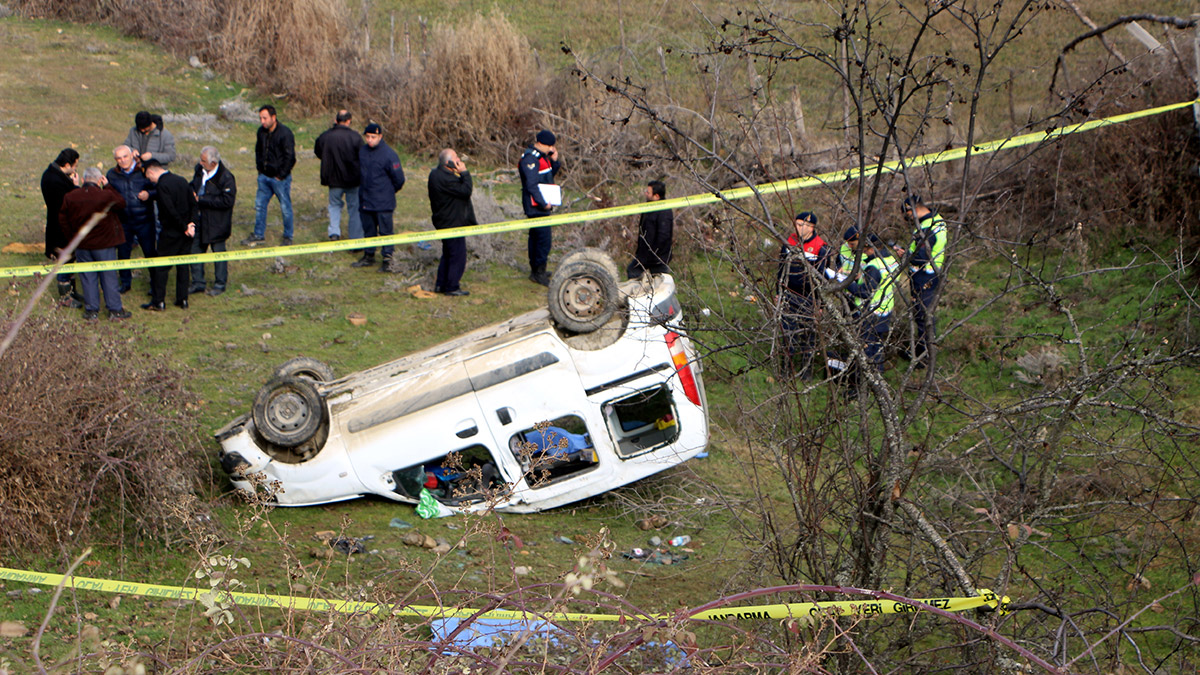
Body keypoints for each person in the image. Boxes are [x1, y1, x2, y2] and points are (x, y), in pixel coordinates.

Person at [57, 167, 130, 320]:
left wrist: (73, 238)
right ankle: (114, 309)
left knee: (87, 277)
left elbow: (63, 219)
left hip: (83, 244)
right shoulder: (106, 195)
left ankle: (91, 310)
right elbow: (121, 203)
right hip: (105, 244)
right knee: (108, 276)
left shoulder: (71, 196)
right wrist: (108, 185)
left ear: (83, 180)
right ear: (99, 180)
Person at [843, 234, 900, 394]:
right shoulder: (892, 262)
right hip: (885, 313)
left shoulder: (873, 266)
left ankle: (859, 390)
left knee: (864, 353)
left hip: (869, 315)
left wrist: (846, 283)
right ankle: (877, 388)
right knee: (877, 352)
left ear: (868, 247)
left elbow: (864, 292)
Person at [777, 212, 831, 377]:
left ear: (811, 227)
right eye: (797, 224)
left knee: (808, 337)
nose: (798, 228)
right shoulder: (789, 242)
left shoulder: (820, 247)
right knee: (787, 334)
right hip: (789, 294)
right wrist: (778, 292)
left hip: (809, 298)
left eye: (802, 225)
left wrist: (820, 305)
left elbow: (822, 279)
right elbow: (780, 268)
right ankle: (786, 371)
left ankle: (806, 373)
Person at [140, 160, 195, 311]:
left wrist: (183, 227)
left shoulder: (162, 186)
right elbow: (193, 203)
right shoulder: (181, 180)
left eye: (148, 176)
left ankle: (158, 301)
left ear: (151, 172)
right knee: (183, 266)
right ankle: (182, 299)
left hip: (171, 232)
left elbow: (169, 210)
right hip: (187, 232)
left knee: (161, 268)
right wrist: (191, 225)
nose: (149, 180)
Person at [899, 195, 947, 366]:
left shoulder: (928, 228)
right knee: (921, 314)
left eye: (908, 215)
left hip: (924, 275)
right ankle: (920, 350)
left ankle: (925, 357)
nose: (908, 219)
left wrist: (905, 255)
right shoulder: (936, 220)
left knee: (923, 315)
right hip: (928, 273)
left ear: (915, 209)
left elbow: (920, 257)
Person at [353, 123, 405, 272]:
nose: (370, 140)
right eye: (367, 137)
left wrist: (387, 192)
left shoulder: (389, 154)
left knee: (386, 232)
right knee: (368, 230)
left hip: (383, 202)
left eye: (373, 137)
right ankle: (368, 256)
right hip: (365, 199)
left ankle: (388, 260)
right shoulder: (362, 151)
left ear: (380, 137)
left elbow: (399, 179)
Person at [107, 145, 157, 294]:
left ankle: (155, 284)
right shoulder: (112, 174)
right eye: (118, 158)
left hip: (145, 220)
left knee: (150, 253)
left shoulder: (143, 171)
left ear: (131, 156)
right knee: (123, 253)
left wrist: (149, 194)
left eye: (125, 157)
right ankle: (125, 283)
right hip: (123, 222)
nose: (122, 161)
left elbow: (158, 187)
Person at [242, 105, 295, 247]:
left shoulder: (285, 133)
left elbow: (290, 157)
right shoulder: (261, 132)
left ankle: (288, 236)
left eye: (265, 118)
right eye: (260, 118)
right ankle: (259, 234)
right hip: (264, 177)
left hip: (279, 179)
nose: (262, 121)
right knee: (260, 206)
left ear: (273, 117)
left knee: (285, 207)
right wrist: (260, 169)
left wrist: (281, 175)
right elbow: (258, 151)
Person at [427, 148, 476, 296]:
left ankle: (441, 284)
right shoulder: (446, 179)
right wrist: (465, 173)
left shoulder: (435, 174)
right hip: (452, 222)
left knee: (448, 253)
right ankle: (452, 286)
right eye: (456, 158)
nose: (459, 161)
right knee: (457, 255)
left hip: (443, 220)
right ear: (448, 162)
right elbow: (466, 190)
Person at [188, 146, 236, 297]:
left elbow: (227, 201)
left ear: (213, 163)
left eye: (203, 161)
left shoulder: (226, 177)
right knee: (195, 251)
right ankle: (198, 282)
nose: (200, 163)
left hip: (217, 223)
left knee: (219, 254)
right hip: (199, 220)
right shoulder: (199, 170)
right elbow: (193, 184)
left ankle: (220, 284)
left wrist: (201, 199)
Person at [40, 148, 83, 308]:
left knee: (70, 259)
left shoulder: (52, 175)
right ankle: (65, 296)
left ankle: (72, 291)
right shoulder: (55, 181)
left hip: (62, 226)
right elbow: (68, 201)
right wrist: (76, 187)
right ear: (67, 164)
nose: (75, 168)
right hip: (60, 228)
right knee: (64, 260)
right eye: (75, 165)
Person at [518, 129, 561, 286]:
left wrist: (555, 161)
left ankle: (537, 269)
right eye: (550, 146)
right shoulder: (531, 159)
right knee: (542, 240)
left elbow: (548, 176)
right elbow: (531, 185)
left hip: (542, 203)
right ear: (541, 144)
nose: (551, 149)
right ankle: (538, 272)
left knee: (538, 239)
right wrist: (543, 203)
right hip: (536, 206)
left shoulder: (543, 157)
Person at [313, 109, 362, 242]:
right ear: (349, 121)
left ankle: (334, 232)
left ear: (336, 121)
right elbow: (362, 157)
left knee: (334, 205)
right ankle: (356, 238)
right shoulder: (355, 137)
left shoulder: (325, 137)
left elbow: (318, 151)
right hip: (353, 180)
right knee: (354, 208)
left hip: (333, 179)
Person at [626, 180, 673, 280]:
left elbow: (663, 236)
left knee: (658, 281)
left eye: (648, 192)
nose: (645, 193)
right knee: (633, 271)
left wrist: (654, 254)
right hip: (644, 254)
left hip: (657, 257)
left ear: (656, 196)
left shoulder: (664, 211)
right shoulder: (648, 207)